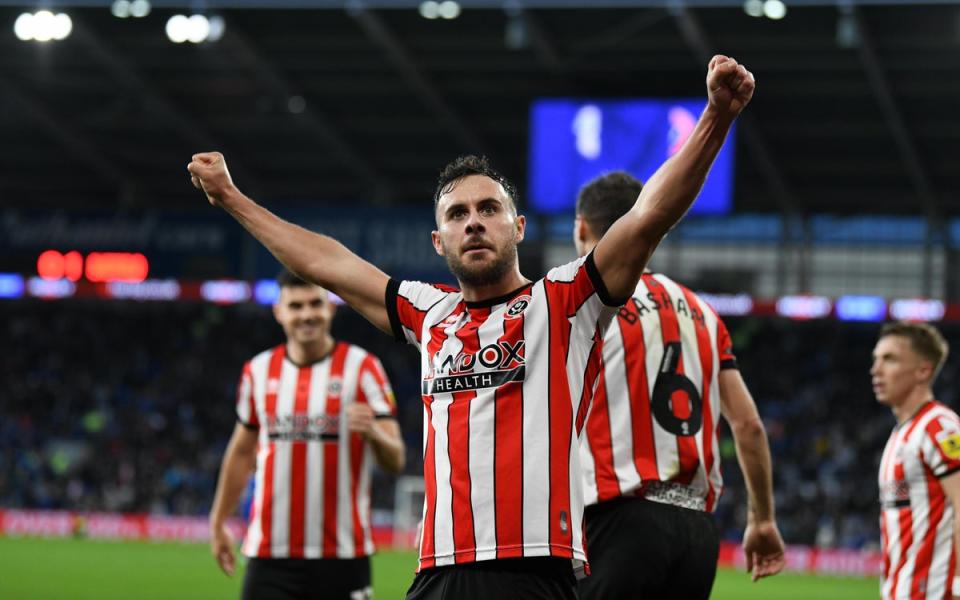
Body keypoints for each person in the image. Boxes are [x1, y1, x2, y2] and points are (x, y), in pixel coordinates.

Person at [189, 54, 755, 600]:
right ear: (439, 242)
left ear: (519, 228)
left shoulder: (563, 303)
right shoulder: (426, 313)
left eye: (489, 209)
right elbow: (327, 263)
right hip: (438, 570)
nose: (474, 222)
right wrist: (231, 198)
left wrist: (716, 118)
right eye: (457, 215)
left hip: (536, 569)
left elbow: (648, 215)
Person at [571, 171, 785, 599]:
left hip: (618, 517)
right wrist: (762, 519)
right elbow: (748, 426)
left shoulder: (581, 299)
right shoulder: (704, 314)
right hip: (695, 532)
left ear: (581, 228)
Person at [208, 270, 406, 600]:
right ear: (279, 312)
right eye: (296, 306)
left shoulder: (363, 368)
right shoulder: (257, 372)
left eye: (315, 304)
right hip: (270, 556)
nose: (306, 315)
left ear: (330, 308)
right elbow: (242, 453)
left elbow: (395, 460)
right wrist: (217, 522)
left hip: (343, 555)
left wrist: (372, 432)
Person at [873, 321, 960, 600]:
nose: (876, 370)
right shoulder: (900, 435)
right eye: (876, 359)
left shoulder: (940, 427)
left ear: (923, 370)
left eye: (890, 359)